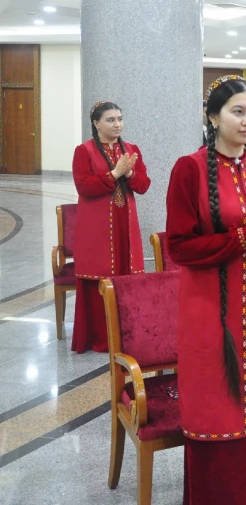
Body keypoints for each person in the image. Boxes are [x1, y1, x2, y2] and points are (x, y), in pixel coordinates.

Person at [166, 75, 246, 504]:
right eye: (237, 112)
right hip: (210, 306)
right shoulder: (189, 168)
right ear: (212, 117)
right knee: (220, 400)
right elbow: (181, 248)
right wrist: (245, 236)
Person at [71, 100, 149, 353]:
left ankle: (128, 335)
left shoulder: (131, 149)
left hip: (125, 223)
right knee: (99, 277)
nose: (118, 124)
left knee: (127, 278)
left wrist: (129, 174)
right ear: (96, 123)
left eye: (120, 118)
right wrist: (114, 174)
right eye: (110, 120)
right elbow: (84, 187)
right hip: (96, 227)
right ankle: (100, 338)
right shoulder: (84, 151)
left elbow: (144, 185)